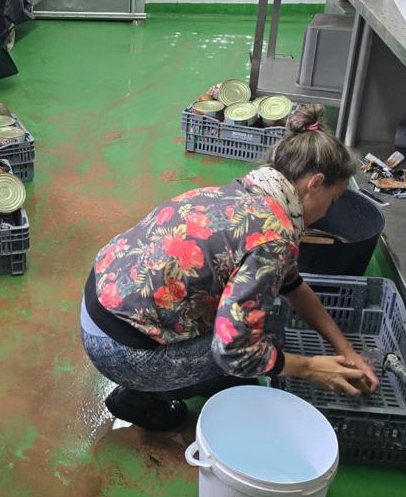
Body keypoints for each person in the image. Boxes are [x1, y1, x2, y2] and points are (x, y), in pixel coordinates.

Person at [81, 104, 380, 431]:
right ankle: (140, 395)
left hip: (101, 307)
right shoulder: (273, 238)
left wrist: (345, 350)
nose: (327, 212)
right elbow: (236, 351)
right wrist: (310, 368)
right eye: (332, 200)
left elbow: (293, 286)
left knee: (259, 329)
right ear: (315, 183)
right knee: (262, 340)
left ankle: (158, 379)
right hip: (120, 351)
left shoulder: (248, 193)